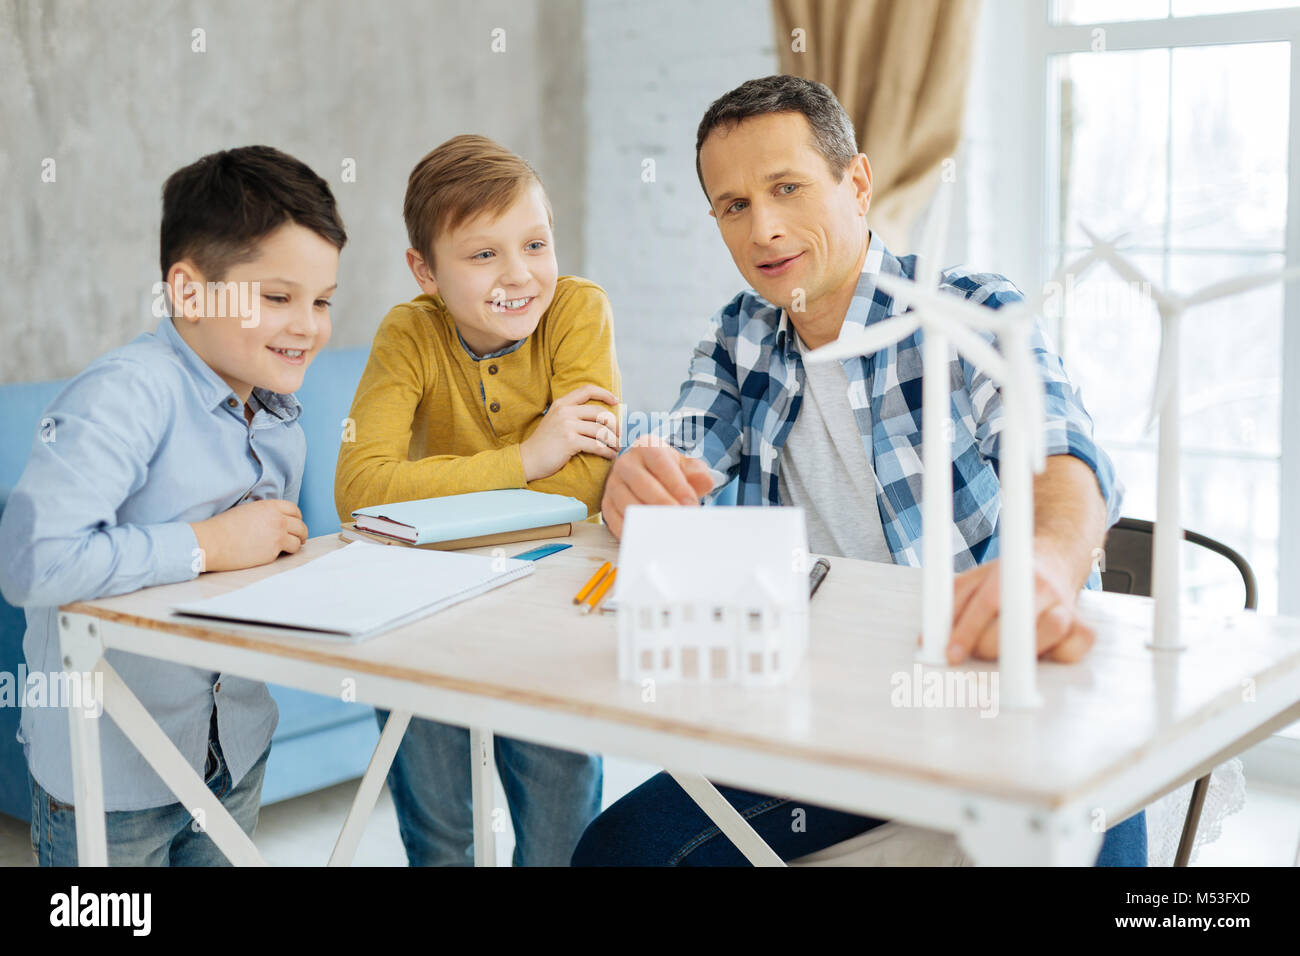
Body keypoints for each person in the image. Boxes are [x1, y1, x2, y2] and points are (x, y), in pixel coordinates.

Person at [575, 75, 1146, 866]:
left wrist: (1047, 564)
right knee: (620, 852)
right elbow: (683, 452)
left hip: (993, 694)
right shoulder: (739, 337)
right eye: (734, 206)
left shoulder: (970, 307)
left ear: (859, 183)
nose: (764, 229)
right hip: (828, 709)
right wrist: (639, 480)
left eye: (788, 188)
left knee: (1084, 796)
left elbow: (1061, 449)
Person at [0, 145, 345, 865]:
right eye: (277, 297)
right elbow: (34, 562)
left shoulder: (279, 415)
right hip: (113, 780)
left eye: (322, 301)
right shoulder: (126, 393)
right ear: (189, 294)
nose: (308, 325)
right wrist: (209, 542)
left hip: (235, 749)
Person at [334, 135, 621, 865]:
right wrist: (528, 457)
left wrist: (440, 500)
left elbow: (582, 486)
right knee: (440, 835)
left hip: (549, 600)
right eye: (483, 254)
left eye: (534, 243)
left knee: (561, 833)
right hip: (419, 600)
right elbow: (361, 490)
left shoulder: (577, 311)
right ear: (424, 271)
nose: (519, 275)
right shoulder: (409, 332)